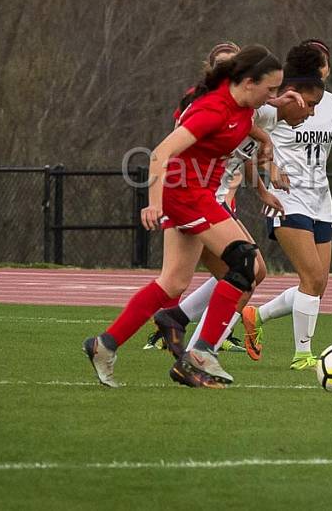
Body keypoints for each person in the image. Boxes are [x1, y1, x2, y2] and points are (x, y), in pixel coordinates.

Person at [83, 44, 285, 389]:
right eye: (271, 89)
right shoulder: (213, 109)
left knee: (173, 284)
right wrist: (154, 202)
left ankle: (105, 344)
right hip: (185, 194)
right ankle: (202, 351)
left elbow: (242, 128)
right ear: (249, 82)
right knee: (247, 264)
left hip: (198, 194)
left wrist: (264, 139)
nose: (274, 96)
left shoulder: (241, 106)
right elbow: (162, 152)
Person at [149, 56, 327, 362]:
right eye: (309, 104)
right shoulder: (251, 109)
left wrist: (261, 189)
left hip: (211, 199)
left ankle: (177, 322)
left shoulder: (262, 114)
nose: (311, 113)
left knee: (248, 273)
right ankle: (196, 354)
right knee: (243, 274)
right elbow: (239, 126)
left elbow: (243, 152)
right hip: (195, 198)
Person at [242, 39, 332, 370]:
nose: (328, 66)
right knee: (310, 276)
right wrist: (271, 169)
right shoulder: (275, 105)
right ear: (314, 68)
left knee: (318, 285)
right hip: (288, 198)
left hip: (321, 200)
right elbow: (251, 142)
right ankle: (302, 355)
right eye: (324, 60)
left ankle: (257, 315)